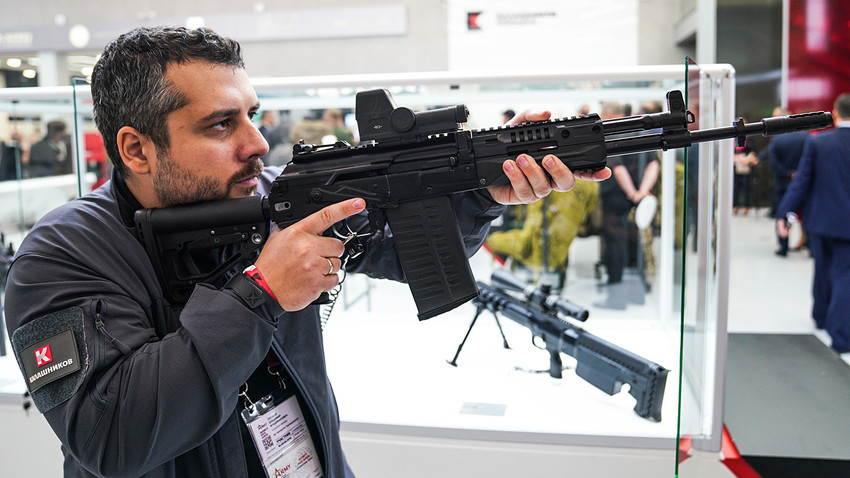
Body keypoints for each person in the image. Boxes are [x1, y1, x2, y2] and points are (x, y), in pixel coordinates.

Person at [3, 26, 610, 478]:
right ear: (136, 149)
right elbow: (113, 436)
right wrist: (259, 294)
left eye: (253, 115)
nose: (257, 142)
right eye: (221, 125)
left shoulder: (273, 198)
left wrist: (482, 192)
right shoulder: (61, 256)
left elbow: (402, 251)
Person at [776, 93, 850, 354]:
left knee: (822, 269)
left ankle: (821, 316)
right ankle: (840, 336)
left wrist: (784, 213)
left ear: (835, 113)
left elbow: (801, 182)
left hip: (820, 221)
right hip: (847, 227)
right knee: (844, 275)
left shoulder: (818, 143)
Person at [597, 102, 659, 285]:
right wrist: (642, 192)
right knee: (637, 237)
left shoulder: (612, 134)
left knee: (614, 239)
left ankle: (615, 280)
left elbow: (618, 168)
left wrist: (632, 193)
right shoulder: (639, 132)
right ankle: (637, 277)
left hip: (616, 198)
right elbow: (653, 164)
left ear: (609, 114)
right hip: (639, 199)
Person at [762, 107, 809, 255]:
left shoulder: (777, 140)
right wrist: (798, 173)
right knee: (806, 214)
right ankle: (810, 246)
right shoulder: (806, 137)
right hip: (803, 183)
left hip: (783, 183)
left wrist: (788, 174)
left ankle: (783, 247)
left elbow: (774, 164)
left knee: (782, 214)